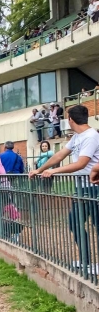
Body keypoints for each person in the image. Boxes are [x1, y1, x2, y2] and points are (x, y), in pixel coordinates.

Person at [31, 105, 99, 266]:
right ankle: (86, 261)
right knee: (74, 222)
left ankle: (88, 262)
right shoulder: (77, 137)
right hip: (81, 188)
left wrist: (54, 172)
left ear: (70, 119)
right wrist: (40, 169)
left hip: (94, 187)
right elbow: (59, 155)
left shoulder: (91, 136)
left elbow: (81, 164)